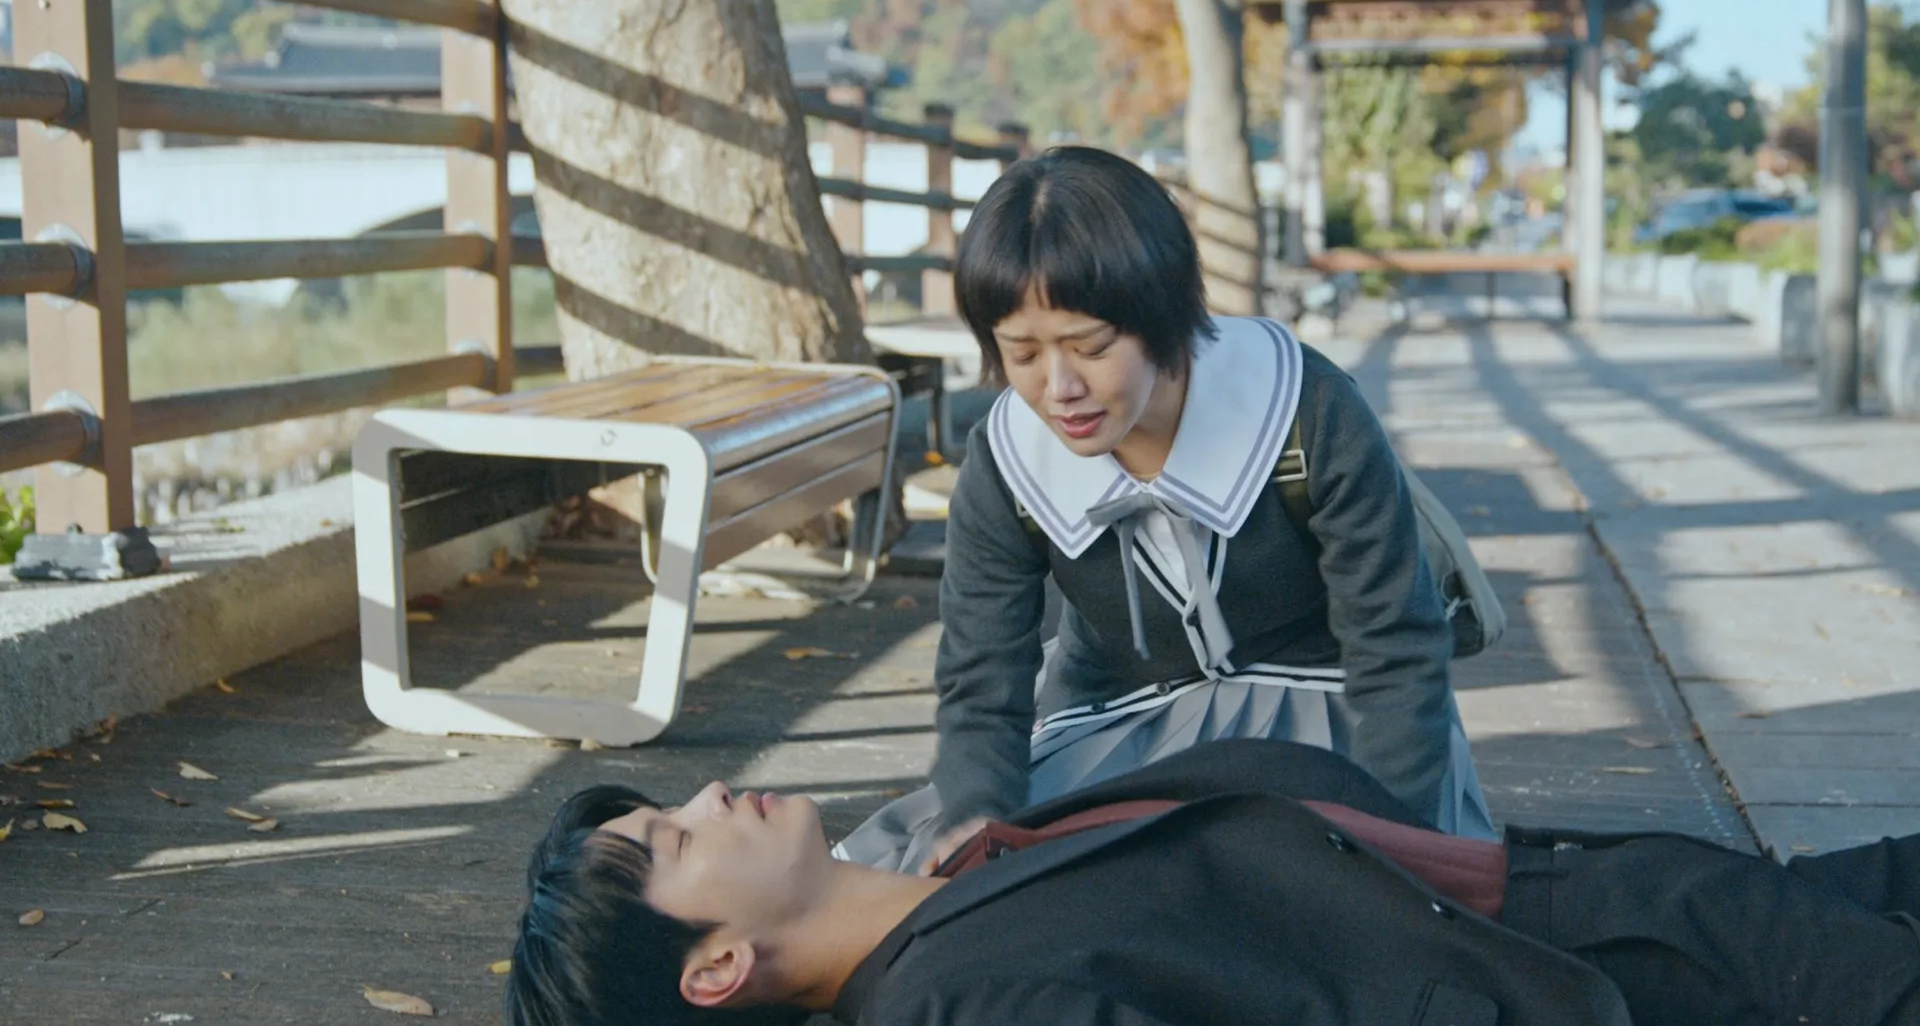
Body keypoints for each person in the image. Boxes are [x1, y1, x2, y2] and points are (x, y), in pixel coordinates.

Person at [835, 145, 1492, 875]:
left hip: (1328, 716)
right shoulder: (1007, 457)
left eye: (1091, 347)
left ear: (1166, 313)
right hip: (1123, 720)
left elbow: (1395, 647)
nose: (1059, 388)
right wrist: (977, 815)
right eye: (1021, 354)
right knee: (939, 870)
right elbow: (983, 668)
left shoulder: (1306, 409)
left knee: (1275, 884)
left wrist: (1396, 844)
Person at [503, 738, 1920, 1026]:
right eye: (675, 840)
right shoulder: (958, 1006)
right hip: (1591, 971)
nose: (709, 796)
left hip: (1580, 889)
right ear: (714, 967)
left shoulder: (956, 878)